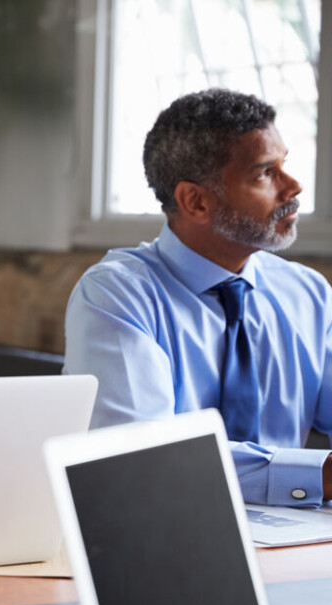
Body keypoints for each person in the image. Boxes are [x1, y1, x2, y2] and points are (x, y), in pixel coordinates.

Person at [64, 88, 331, 507]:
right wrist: (314, 476)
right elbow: (141, 459)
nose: (293, 186)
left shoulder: (308, 294)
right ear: (196, 200)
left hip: (299, 532)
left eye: (285, 164)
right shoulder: (117, 295)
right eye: (265, 172)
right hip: (167, 535)